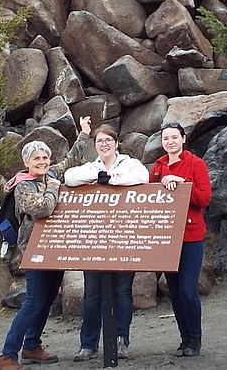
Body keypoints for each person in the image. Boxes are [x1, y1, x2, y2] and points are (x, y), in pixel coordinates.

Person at [0, 118, 97, 370]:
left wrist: (84, 134)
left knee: (47, 298)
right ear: (26, 162)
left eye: (44, 158)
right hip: (34, 251)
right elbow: (41, 208)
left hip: (55, 248)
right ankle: (7, 355)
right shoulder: (23, 187)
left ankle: (32, 346)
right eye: (36, 159)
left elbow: (70, 161)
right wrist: (53, 189)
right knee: (33, 302)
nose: (42, 162)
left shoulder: (50, 173)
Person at [64, 125, 149, 362]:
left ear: (116, 142)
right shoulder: (92, 167)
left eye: (108, 140)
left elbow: (143, 176)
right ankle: (88, 344)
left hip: (124, 237)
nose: (104, 144)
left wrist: (112, 179)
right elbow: (69, 178)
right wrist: (96, 177)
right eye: (100, 141)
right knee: (92, 293)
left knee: (123, 291)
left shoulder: (129, 163)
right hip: (96, 239)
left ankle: (122, 341)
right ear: (95, 145)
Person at [150, 122, 212, 358]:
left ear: (183, 139)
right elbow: (150, 197)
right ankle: (184, 338)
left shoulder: (196, 164)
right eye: (166, 138)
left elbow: (204, 198)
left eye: (174, 137)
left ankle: (195, 338)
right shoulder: (158, 167)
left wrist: (181, 186)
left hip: (191, 235)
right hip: (167, 237)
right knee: (174, 292)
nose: (170, 142)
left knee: (188, 290)